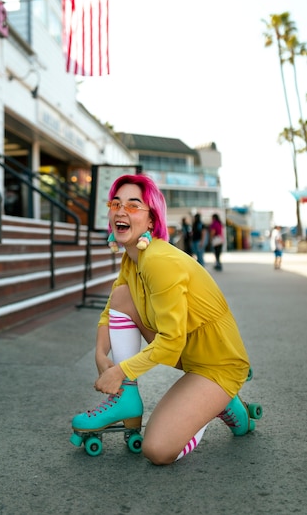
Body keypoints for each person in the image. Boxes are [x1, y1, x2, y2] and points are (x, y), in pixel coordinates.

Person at [71, 174, 252, 465]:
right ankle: (126, 398)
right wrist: (99, 353)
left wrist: (119, 372)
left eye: (133, 205)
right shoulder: (132, 257)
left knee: (158, 450)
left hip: (218, 363)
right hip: (188, 353)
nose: (120, 210)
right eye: (115, 203)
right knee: (122, 295)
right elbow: (112, 307)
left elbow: (171, 343)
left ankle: (219, 401)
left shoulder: (158, 261)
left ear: (152, 220)